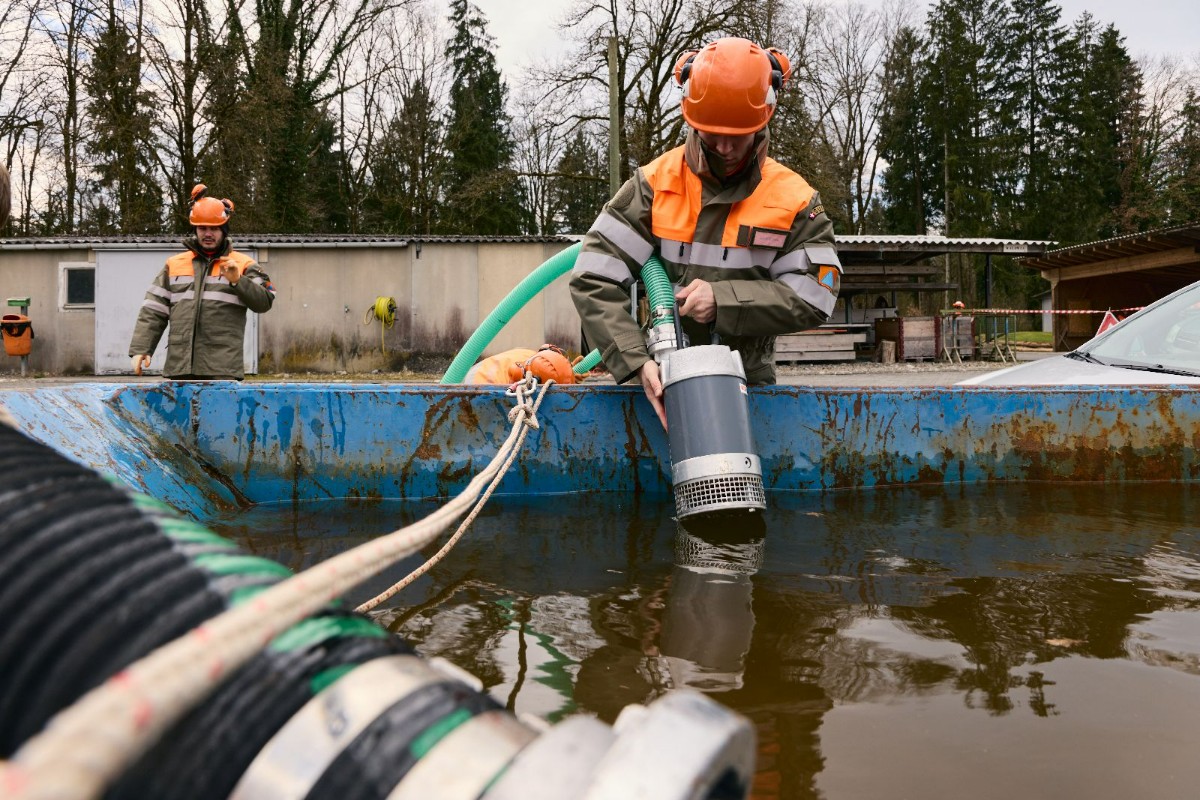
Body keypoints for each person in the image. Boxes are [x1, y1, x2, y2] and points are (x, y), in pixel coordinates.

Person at [570, 37, 841, 427]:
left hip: (749, 388)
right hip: (663, 381)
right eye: (712, 134)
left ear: (765, 117)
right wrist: (636, 361)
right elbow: (593, 276)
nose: (725, 147)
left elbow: (816, 295)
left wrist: (723, 300)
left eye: (738, 135)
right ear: (691, 118)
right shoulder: (653, 185)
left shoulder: (795, 201)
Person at [129, 185, 275, 380]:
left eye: (214, 228)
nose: (208, 233)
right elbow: (154, 309)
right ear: (195, 229)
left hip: (222, 370)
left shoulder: (243, 264)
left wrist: (238, 281)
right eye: (202, 228)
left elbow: (265, 301)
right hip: (180, 368)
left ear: (224, 230)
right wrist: (142, 348)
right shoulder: (174, 265)